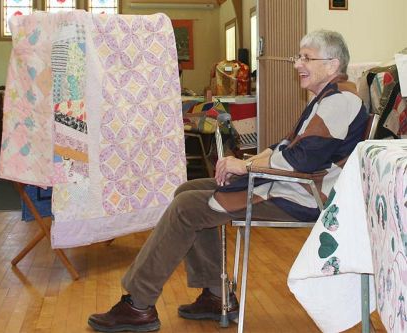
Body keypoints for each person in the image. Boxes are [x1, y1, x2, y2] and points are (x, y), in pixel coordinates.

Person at [88, 29, 369, 332]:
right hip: (294, 186)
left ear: (332, 64)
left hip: (305, 196)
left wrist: (246, 167)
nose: (297, 64)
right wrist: (248, 162)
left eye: (306, 58)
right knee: (188, 191)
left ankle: (138, 304)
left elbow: (301, 160)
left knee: (187, 207)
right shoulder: (329, 98)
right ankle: (215, 293)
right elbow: (290, 149)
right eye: (298, 57)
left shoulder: (340, 101)